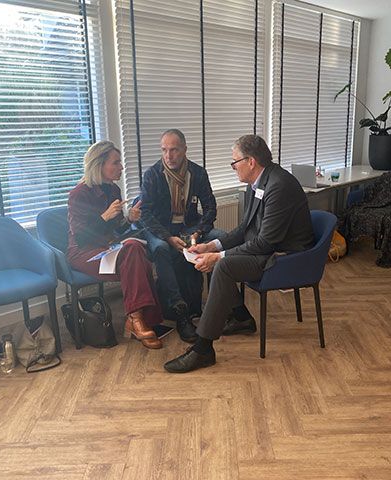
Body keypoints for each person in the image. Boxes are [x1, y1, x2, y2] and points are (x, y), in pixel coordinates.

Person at [164, 134, 314, 373]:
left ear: (251, 161)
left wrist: (219, 257)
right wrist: (211, 247)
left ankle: (203, 349)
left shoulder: (279, 186)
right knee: (218, 259)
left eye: (235, 162)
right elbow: (245, 228)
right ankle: (242, 317)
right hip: (268, 248)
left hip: (286, 257)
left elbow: (265, 242)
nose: (233, 167)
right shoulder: (258, 182)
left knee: (223, 266)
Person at [67, 141, 163, 349]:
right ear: (99, 164)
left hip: (108, 247)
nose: (121, 167)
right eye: (116, 163)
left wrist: (128, 219)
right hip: (83, 253)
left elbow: (116, 231)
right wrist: (104, 216)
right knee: (134, 252)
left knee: (135, 247)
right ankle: (138, 320)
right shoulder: (78, 194)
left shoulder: (113, 190)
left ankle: (135, 319)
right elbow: (81, 238)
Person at [139, 129, 224, 343]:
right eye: (164, 150)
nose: (168, 156)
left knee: (222, 238)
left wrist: (199, 232)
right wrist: (168, 237)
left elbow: (210, 207)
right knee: (161, 248)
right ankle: (181, 312)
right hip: (161, 229)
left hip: (191, 228)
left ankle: (221, 306)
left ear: (185, 150)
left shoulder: (198, 173)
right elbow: (145, 213)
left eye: (174, 150)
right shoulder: (152, 175)